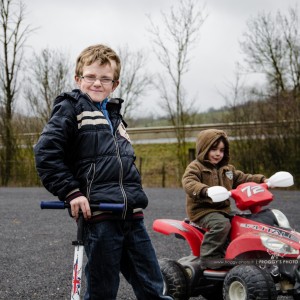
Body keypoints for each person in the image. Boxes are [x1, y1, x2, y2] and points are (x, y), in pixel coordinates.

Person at [34, 44, 172, 300]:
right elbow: (46, 153)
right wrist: (72, 192)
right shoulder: (71, 108)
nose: (97, 83)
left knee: (154, 288)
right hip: (100, 217)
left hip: (131, 215)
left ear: (114, 84)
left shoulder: (115, 116)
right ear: (78, 79)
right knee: (102, 292)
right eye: (90, 76)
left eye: (105, 78)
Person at [182, 129, 267, 269]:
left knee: (245, 221)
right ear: (204, 148)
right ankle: (209, 257)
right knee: (221, 225)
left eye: (221, 150)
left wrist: (263, 180)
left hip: (223, 209)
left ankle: (237, 251)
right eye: (213, 149)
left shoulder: (227, 169)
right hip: (203, 211)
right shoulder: (195, 167)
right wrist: (205, 190)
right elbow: (189, 183)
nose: (218, 154)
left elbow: (243, 178)